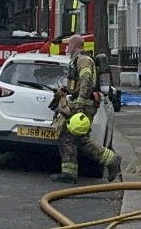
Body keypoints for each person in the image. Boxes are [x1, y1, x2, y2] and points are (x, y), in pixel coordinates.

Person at [51, 34, 121, 184]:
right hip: (81, 103)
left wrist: (79, 105)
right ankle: (69, 173)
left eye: (69, 45)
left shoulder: (83, 60)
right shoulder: (77, 60)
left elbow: (86, 81)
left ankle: (111, 160)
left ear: (75, 45)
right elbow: (77, 84)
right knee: (75, 139)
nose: (67, 48)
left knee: (71, 137)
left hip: (84, 105)